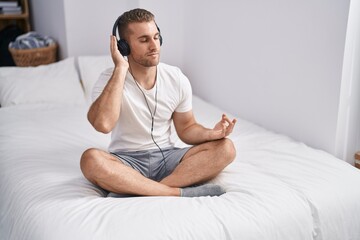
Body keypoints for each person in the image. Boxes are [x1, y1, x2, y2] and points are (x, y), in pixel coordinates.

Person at [80, 8, 237, 198]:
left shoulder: (176, 78)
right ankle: (175, 192)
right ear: (124, 47)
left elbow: (187, 128)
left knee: (226, 148)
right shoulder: (109, 80)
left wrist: (212, 134)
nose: (154, 46)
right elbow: (103, 124)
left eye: (156, 37)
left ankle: (140, 189)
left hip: (168, 158)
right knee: (90, 159)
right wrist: (121, 68)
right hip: (126, 161)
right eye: (144, 40)